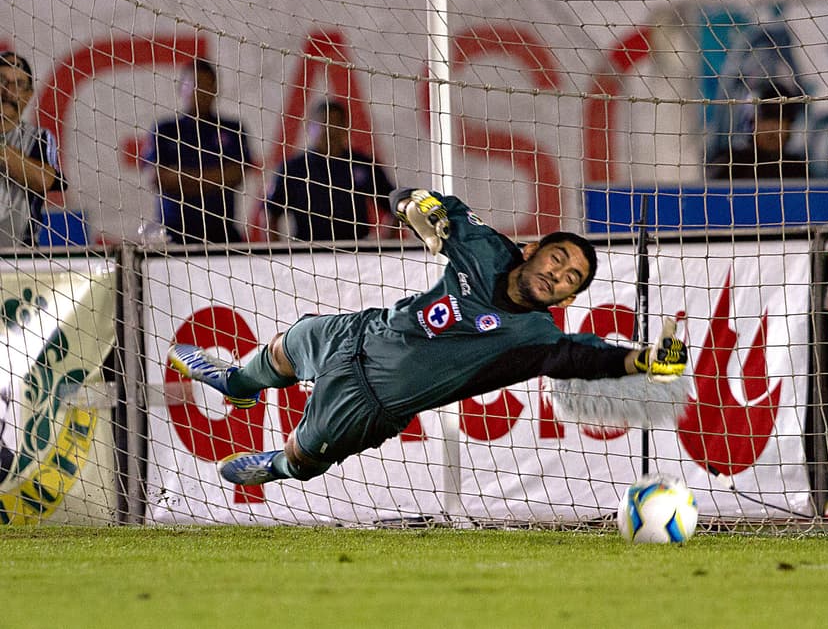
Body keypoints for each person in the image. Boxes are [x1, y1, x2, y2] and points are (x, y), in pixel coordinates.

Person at [168, 188, 689, 486]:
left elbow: (584, 356)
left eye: (572, 279)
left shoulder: (535, 338)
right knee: (288, 344)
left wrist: (644, 360)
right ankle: (238, 382)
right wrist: (418, 206)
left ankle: (279, 465)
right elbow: (423, 204)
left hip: (369, 400)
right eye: (558, 259)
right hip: (361, 332)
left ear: (567, 301)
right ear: (531, 249)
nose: (559, 275)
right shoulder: (486, 247)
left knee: (306, 461)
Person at [143, 59, 256, 244]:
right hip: (173, 234)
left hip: (220, 233)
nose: (201, 92)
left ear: (215, 90)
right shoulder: (165, 130)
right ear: (181, 89)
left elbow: (235, 175)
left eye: (207, 85)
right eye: (195, 85)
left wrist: (181, 180)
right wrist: (213, 180)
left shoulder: (232, 129)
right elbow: (156, 177)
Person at [264, 100, 396, 242]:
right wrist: (281, 258)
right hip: (307, 254)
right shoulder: (293, 169)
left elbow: (395, 207)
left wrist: (384, 243)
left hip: (356, 253)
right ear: (309, 127)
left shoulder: (363, 164)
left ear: (346, 128)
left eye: (337, 124)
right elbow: (270, 214)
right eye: (324, 124)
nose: (331, 131)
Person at [0, 51, 65, 247]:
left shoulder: (39, 138)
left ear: (28, 95)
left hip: (21, 256)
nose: (7, 92)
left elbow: (43, 180)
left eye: (18, 85)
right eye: (1, 81)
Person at [707, 81, 809, 181]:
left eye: (779, 120)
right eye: (765, 119)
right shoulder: (731, 165)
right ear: (752, 123)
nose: (772, 129)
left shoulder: (798, 169)